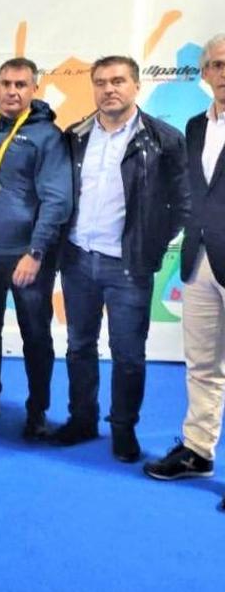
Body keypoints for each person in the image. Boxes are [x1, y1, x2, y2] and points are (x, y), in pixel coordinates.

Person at [53, 55, 189, 462]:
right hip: (78, 259)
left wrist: (151, 243)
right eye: (100, 82)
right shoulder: (75, 135)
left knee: (128, 354)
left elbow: (183, 203)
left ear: (136, 86)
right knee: (79, 346)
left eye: (117, 81)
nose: (109, 89)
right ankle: (82, 419)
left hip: (128, 265)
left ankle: (123, 428)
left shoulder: (164, 139)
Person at [0, 57, 72, 439]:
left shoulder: (48, 136)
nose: (12, 91)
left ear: (34, 89)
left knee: (35, 334)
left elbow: (57, 199)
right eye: (6, 84)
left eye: (21, 84)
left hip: (26, 254)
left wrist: (36, 252)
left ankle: (37, 411)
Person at [142, 33, 225, 505]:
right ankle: (198, 450)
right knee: (202, 365)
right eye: (217, 65)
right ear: (205, 73)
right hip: (198, 259)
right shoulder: (194, 127)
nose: (224, 73)